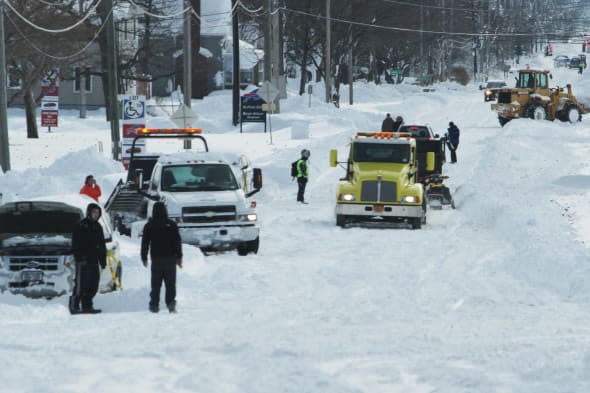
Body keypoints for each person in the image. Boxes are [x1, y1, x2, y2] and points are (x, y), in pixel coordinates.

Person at [141, 202, 183, 313]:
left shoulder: (149, 225)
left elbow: (145, 243)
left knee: (155, 284)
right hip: (170, 259)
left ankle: (154, 305)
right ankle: (171, 304)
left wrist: (144, 257)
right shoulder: (171, 224)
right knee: (170, 284)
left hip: (156, 259)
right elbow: (177, 242)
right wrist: (179, 257)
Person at [70, 203, 107, 314]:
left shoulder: (98, 227)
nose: (96, 214)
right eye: (94, 212)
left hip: (94, 260)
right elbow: (75, 244)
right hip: (83, 261)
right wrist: (79, 257)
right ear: (89, 212)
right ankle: (74, 305)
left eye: (98, 212)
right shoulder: (80, 226)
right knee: (81, 285)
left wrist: (103, 260)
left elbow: (101, 245)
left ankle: (87, 306)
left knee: (93, 285)